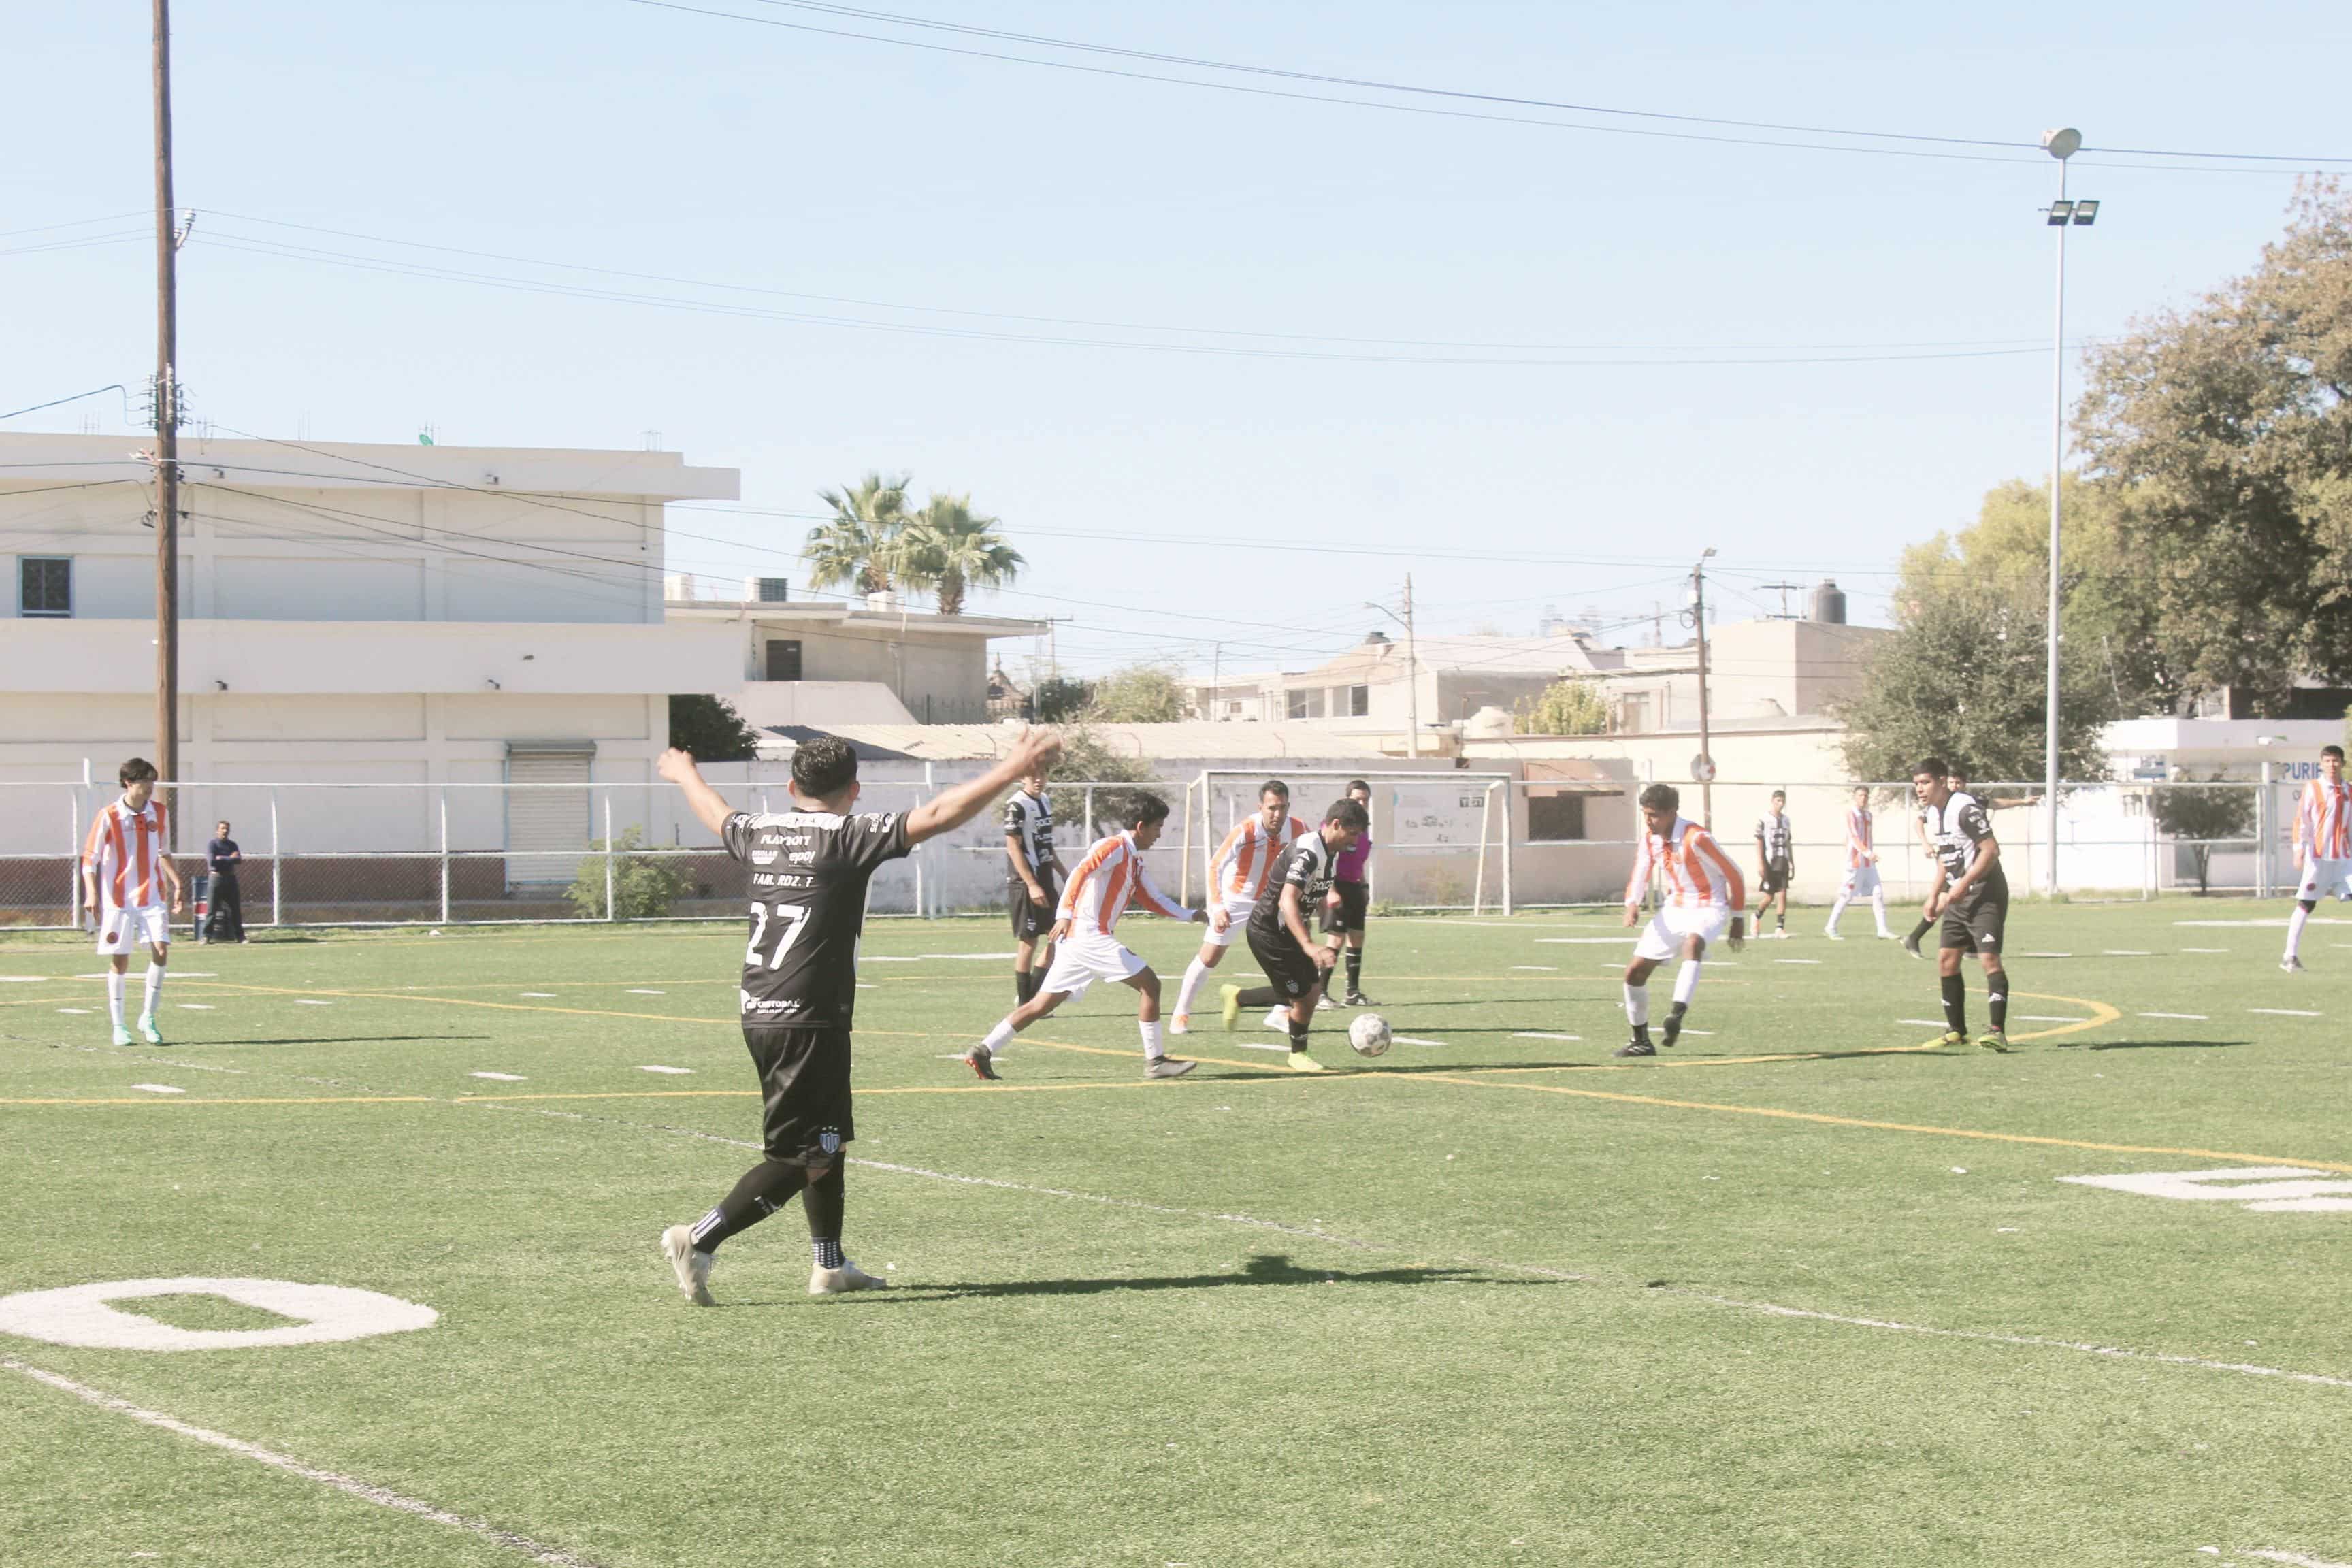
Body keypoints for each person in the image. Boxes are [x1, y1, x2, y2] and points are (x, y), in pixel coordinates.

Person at [657, 726, 1062, 1307]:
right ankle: (698, 1238)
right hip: (808, 1016)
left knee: (828, 1141)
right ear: (856, 789)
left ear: (791, 785)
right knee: (800, 1156)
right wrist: (1010, 768)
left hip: (766, 1010)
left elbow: (715, 811)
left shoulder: (762, 831)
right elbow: (942, 813)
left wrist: (684, 772)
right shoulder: (848, 836)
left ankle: (829, 1264)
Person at [964, 794, 1211, 1081]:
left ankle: (982, 1050)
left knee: (1040, 1005)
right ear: (1141, 826)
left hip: (1078, 941)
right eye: (1158, 827)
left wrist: (1191, 914)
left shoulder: (1133, 859)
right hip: (1089, 936)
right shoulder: (1114, 847)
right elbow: (1081, 872)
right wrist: (1065, 913)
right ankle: (1155, 1062)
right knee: (1151, 985)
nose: (1160, 834)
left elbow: (1152, 898)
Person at [1218, 797, 1371, 1073]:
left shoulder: (1331, 854)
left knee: (1308, 993)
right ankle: (1297, 1054)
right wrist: (1309, 945)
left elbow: (1311, 894)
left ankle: (1240, 998)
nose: (1356, 841)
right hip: (1268, 931)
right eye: (1353, 833)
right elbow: (1287, 901)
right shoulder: (1309, 852)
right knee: (1302, 994)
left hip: (1286, 931)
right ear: (1336, 824)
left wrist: (1328, 903)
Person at [1170, 781, 1314, 1034]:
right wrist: (1218, 907)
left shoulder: (1299, 829)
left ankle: (1280, 1013)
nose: (1277, 814)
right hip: (1237, 900)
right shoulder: (1246, 830)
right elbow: (1216, 866)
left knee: (1290, 958)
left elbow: (1311, 861)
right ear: (1260, 807)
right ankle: (1181, 1013)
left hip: (1272, 903)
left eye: (1282, 808)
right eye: (1271, 808)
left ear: (1288, 806)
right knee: (1210, 956)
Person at [1615, 783, 1744, 1058]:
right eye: (1645, 814)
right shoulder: (1649, 839)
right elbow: (1641, 872)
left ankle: (1677, 1013)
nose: (1649, 821)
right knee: (1634, 973)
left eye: (1655, 815)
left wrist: (1738, 918)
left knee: (1693, 944)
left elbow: (1734, 874)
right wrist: (1632, 905)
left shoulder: (1697, 838)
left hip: (1709, 905)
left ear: (1672, 812)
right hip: (1675, 908)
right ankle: (1641, 1041)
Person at [80, 757, 184, 1047]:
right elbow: (90, 859)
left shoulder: (159, 813)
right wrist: (91, 893)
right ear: (128, 782)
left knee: (161, 950)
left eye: (153, 780)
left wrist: (177, 883)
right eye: (145, 781)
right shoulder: (109, 815)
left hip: (152, 896)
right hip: (119, 900)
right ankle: (119, 1025)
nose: (151, 787)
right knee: (121, 960)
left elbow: (163, 852)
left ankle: (148, 1017)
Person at [1914, 757, 2012, 1051]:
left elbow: (1991, 850)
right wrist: (1934, 894)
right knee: (1946, 960)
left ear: (1942, 781)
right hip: (1960, 893)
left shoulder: (1965, 808)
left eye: (1926, 782)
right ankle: (1956, 1030)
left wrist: (1965, 883)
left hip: (1986, 892)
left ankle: (1997, 1032)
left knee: (1988, 959)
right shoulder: (1932, 814)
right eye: (1917, 784)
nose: (1920, 789)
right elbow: (1947, 857)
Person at [2281, 744, 2352, 973]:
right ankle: (2289, 956)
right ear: (2322, 764)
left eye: (2336, 760)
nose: (2332, 765)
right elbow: (2302, 820)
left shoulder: (2349, 790)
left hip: (2344, 858)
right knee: (2306, 903)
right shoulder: (2313, 788)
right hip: (2319, 857)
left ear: (2343, 763)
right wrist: (2298, 849)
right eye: (2328, 760)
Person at [1002, 762, 1064, 1004]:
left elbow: (1046, 843)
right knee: (1029, 941)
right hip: (1025, 881)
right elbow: (1013, 846)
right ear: (1022, 779)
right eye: (1033, 776)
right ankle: (1026, 999)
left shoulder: (1045, 801)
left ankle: (1029, 998)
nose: (1038, 779)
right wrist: (1031, 884)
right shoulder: (1016, 805)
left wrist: (1063, 872)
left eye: (1043, 774)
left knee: (1059, 936)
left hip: (1046, 878)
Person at [1901, 764, 1968, 958]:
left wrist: (2022, 801)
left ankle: (1916, 937)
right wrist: (1925, 843)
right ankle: (1915, 937)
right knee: (1947, 899)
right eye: (1952, 781)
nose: (1955, 785)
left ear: (1965, 784)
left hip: (1964, 863)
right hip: (1953, 863)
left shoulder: (1966, 803)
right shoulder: (1935, 808)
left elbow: (1995, 802)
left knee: (1950, 900)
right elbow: (1919, 822)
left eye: (1959, 782)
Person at [1323, 778, 1377, 1006]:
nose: (1362, 803)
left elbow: (1358, 862)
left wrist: (1364, 886)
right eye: (1357, 799)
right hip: (1337, 887)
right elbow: (1325, 860)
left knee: (1357, 937)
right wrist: (1331, 890)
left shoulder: (1362, 830)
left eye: (1365, 799)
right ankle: (1320, 993)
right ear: (1348, 799)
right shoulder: (1335, 826)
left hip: (1355, 887)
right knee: (1336, 940)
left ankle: (1353, 993)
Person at [1823, 787, 1892, 940]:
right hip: (1855, 862)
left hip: (1868, 864)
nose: (1863, 798)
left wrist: (1869, 855)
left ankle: (1882, 930)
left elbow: (1865, 837)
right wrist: (1867, 853)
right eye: (1860, 795)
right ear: (1855, 797)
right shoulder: (1851, 814)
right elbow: (1853, 837)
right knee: (1847, 895)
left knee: (1878, 893)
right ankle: (1830, 927)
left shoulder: (1868, 815)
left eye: (1866, 796)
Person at [1752, 789, 1794, 938]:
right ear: (1772, 801)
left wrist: (1791, 862)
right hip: (1770, 861)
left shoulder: (1786, 820)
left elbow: (1788, 842)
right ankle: (1756, 916)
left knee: (1782, 894)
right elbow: (1759, 841)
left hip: (1782, 860)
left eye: (1783, 801)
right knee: (1769, 897)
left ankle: (1779, 928)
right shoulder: (1764, 819)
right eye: (1778, 801)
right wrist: (1760, 863)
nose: (1780, 804)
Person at [203, 819, 247, 944]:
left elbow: (238, 860)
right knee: (212, 910)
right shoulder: (213, 844)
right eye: (222, 828)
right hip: (216, 879)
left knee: (235, 909)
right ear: (217, 830)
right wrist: (229, 858)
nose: (225, 831)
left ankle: (240, 936)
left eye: (227, 828)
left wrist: (221, 858)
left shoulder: (232, 845)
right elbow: (212, 862)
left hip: (230, 879)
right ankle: (207, 936)